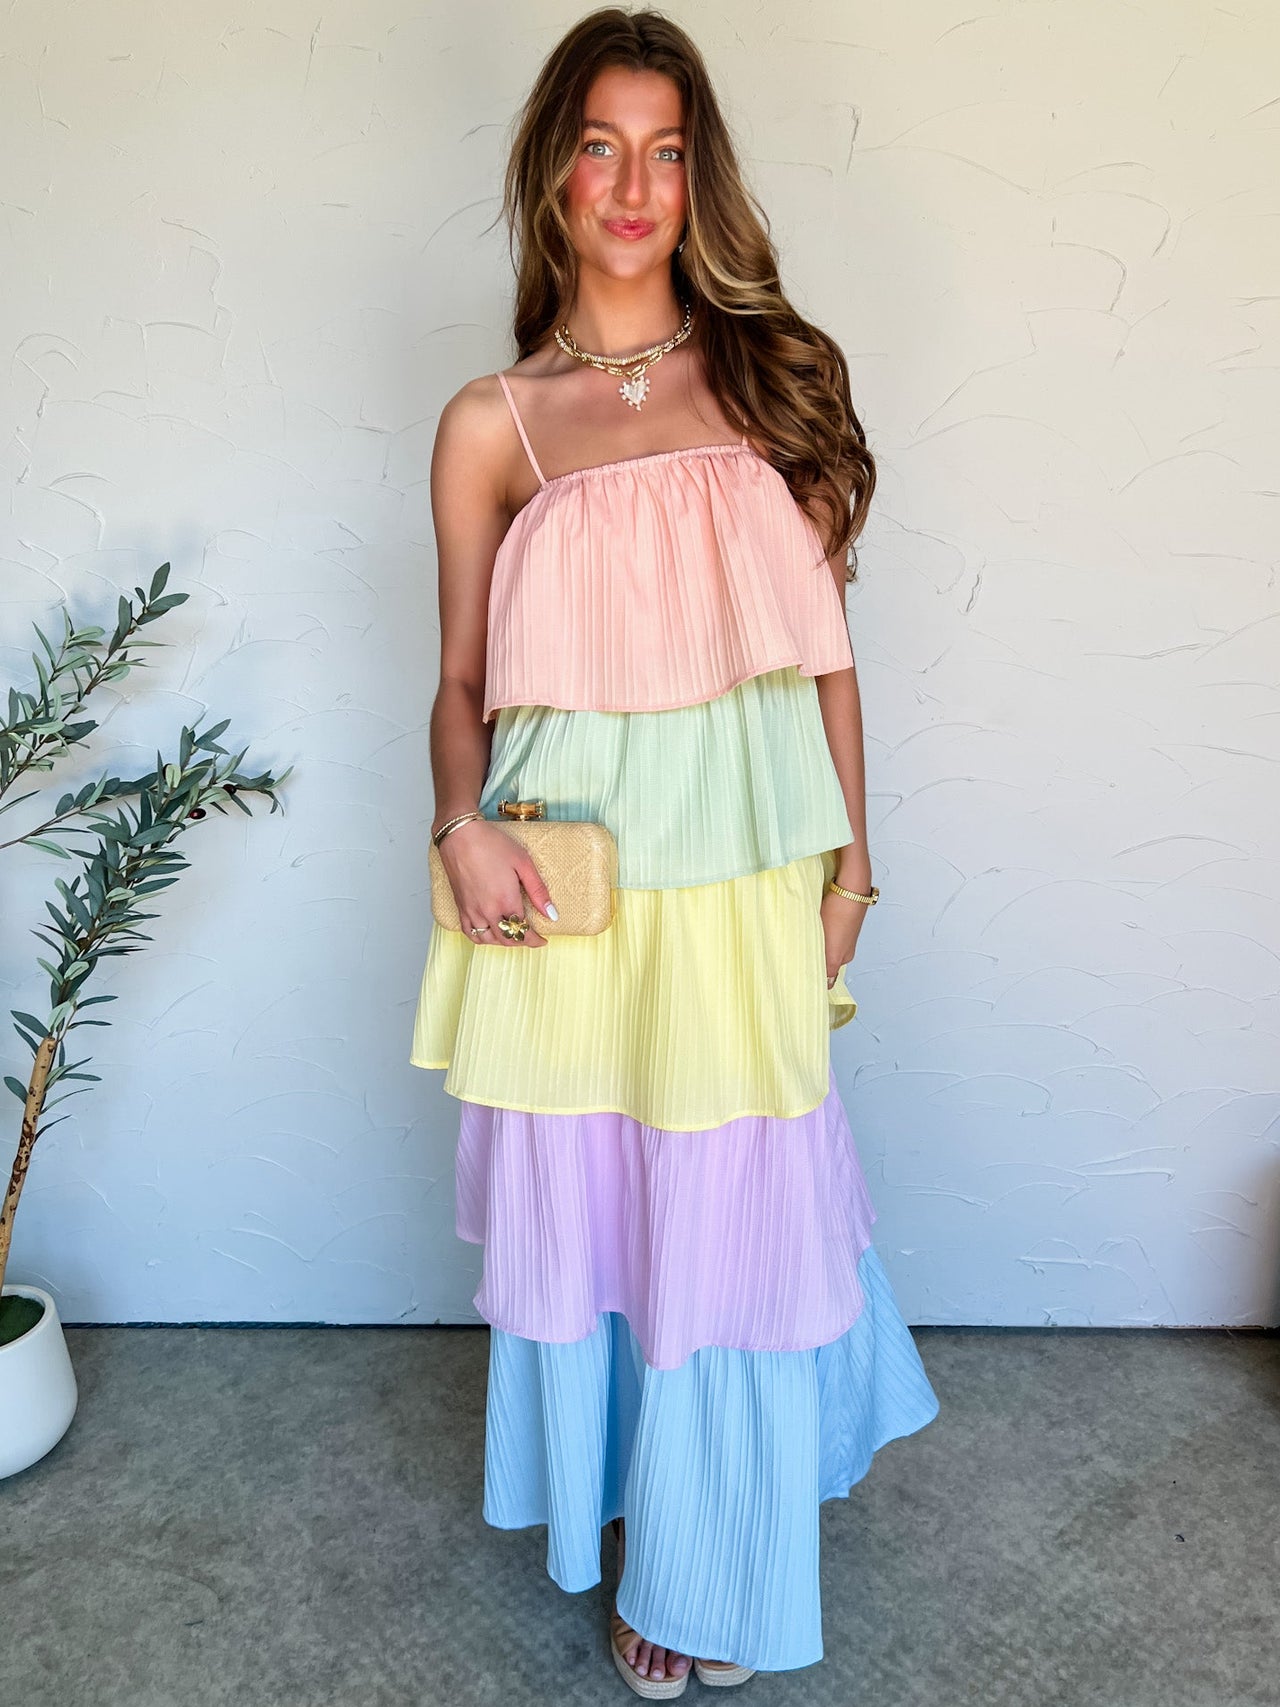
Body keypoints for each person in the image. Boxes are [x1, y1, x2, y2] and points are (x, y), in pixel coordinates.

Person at [410, 6, 940, 1694]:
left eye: (666, 149)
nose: (632, 184)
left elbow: (832, 661)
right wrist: (460, 824)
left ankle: (712, 1567)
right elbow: (462, 687)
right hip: (567, 890)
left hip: (740, 881)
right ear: (552, 174)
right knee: (609, 1204)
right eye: (598, 145)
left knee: (728, 1200)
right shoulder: (496, 423)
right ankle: (647, 1507)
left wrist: (851, 873)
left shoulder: (776, 374)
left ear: (696, 175)